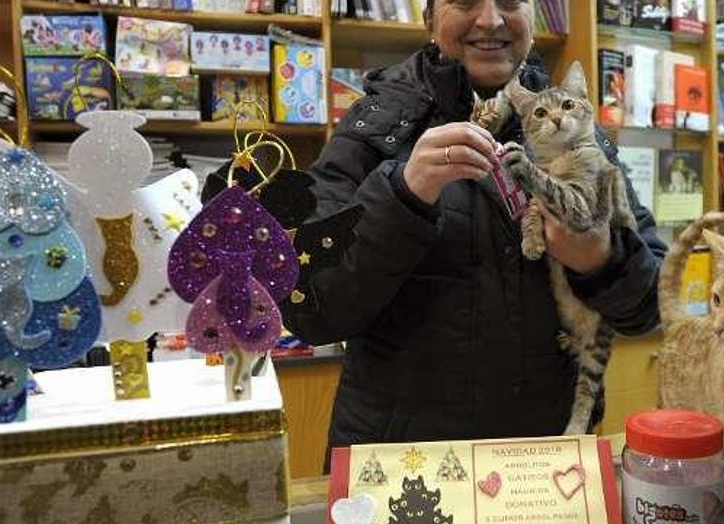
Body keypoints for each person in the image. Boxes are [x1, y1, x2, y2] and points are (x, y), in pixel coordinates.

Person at [284, 0, 666, 459]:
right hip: (400, 468)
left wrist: (602, 261)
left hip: (546, 471)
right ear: (429, 20)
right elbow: (311, 310)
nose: (490, 19)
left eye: (510, 1)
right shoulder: (375, 129)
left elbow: (652, 305)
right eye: (464, 1)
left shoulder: (576, 125)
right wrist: (404, 196)